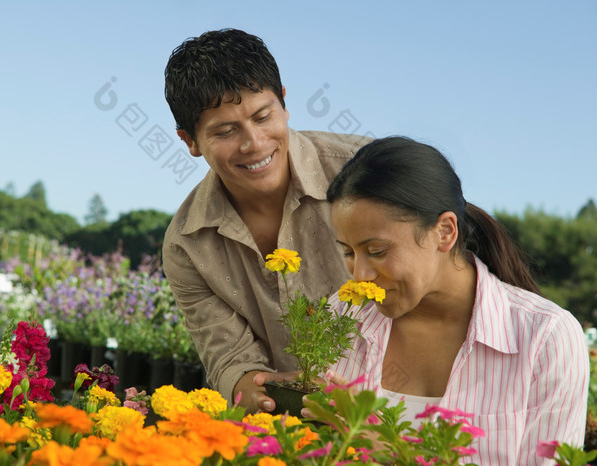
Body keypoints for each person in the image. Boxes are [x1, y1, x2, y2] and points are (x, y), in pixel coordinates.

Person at [324, 136, 588, 464]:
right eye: (348, 252)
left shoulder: (546, 338)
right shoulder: (342, 313)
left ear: (445, 232)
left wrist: (386, 450)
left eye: (377, 251)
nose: (359, 275)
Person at [162, 28, 371, 413]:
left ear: (285, 103)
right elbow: (229, 359)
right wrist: (253, 388)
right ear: (189, 141)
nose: (254, 143)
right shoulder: (187, 244)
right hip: (287, 427)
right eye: (225, 131)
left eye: (263, 116)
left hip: (401, 413)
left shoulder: (366, 171)